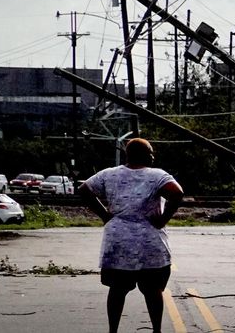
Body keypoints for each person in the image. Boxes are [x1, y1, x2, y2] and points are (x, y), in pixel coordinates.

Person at [79, 138, 184, 333]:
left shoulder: (108, 174)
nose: (153, 156)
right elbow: (177, 193)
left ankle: (113, 330)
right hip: (149, 244)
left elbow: (84, 189)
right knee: (153, 291)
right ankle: (156, 330)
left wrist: (104, 215)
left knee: (117, 290)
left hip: (118, 242)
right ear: (145, 155)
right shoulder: (157, 176)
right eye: (151, 152)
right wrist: (163, 219)